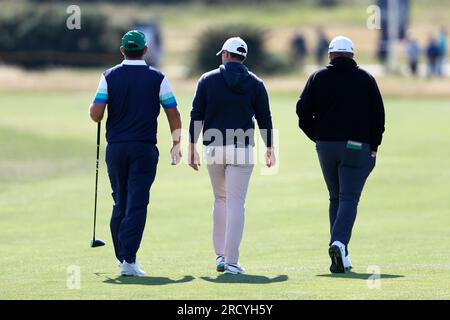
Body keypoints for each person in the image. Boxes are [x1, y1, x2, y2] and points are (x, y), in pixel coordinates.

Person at [89, 30, 182, 277]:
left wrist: (97, 108)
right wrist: (176, 144)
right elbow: (173, 112)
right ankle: (128, 260)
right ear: (145, 51)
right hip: (143, 149)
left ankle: (123, 257)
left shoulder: (108, 76)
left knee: (121, 200)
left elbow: (96, 114)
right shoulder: (157, 77)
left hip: (116, 149)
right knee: (137, 202)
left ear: (122, 50)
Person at [296, 36, 385, 273]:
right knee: (348, 198)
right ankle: (338, 243)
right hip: (356, 146)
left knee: (335, 197)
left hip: (325, 146)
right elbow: (378, 117)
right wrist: (374, 145)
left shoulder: (317, 77)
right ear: (352, 55)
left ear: (330, 55)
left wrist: (318, 137)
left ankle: (341, 253)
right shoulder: (366, 79)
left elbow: (302, 112)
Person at [189, 37, 275, 275]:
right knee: (236, 203)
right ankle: (232, 262)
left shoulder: (207, 80)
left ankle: (220, 256)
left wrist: (190, 145)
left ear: (226, 55)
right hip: (242, 148)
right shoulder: (256, 83)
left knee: (220, 200)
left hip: (214, 147)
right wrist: (270, 148)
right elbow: (264, 118)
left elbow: (197, 114)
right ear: (243, 57)